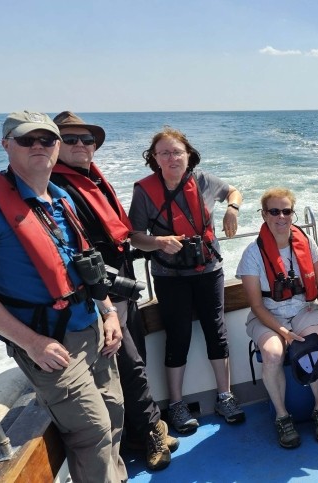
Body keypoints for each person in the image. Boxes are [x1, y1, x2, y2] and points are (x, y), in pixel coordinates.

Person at [0, 111, 126, 482]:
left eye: (46, 140)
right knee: (91, 433)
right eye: (27, 139)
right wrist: (31, 343)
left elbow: (84, 266)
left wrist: (108, 311)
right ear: (6, 145)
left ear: (56, 147)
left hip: (93, 328)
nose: (39, 147)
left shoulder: (61, 198)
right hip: (51, 343)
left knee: (113, 415)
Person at [51, 111, 179, 470]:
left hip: (120, 284)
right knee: (128, 362)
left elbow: (118, 233)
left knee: (132, 361)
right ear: (56, 145)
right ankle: (149, 430)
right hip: (95, 295)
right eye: (70, 139)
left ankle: (145, 429)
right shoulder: (52, 188)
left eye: (86, 139)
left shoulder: (89, 180)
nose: (80, 145)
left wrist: (154, 243)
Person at [129, 127, 245, 432]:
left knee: (216, 332)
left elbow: (234, 191)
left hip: (209, 271)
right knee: (177, 336)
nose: (171, 158)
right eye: (164, 153)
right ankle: (177, 406)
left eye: (177, 152)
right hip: (170, 276)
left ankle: (225, 396)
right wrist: (159, 242)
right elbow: (135, 237)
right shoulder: (143, 191)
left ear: (188, 155)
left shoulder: (204, 181)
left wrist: (232, 208)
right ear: (154, 159)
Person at [236, 187, 318, 448]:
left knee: (315, 344)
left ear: (293, 213)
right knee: (272, 354)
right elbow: (256, 305)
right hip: (268, 315)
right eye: (274, 211)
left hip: (303, 309)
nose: (281, 217)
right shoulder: (252, 253)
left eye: (286, 211)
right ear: (264, 215)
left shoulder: (307, 243)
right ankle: (283, 416)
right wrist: (283, 331)